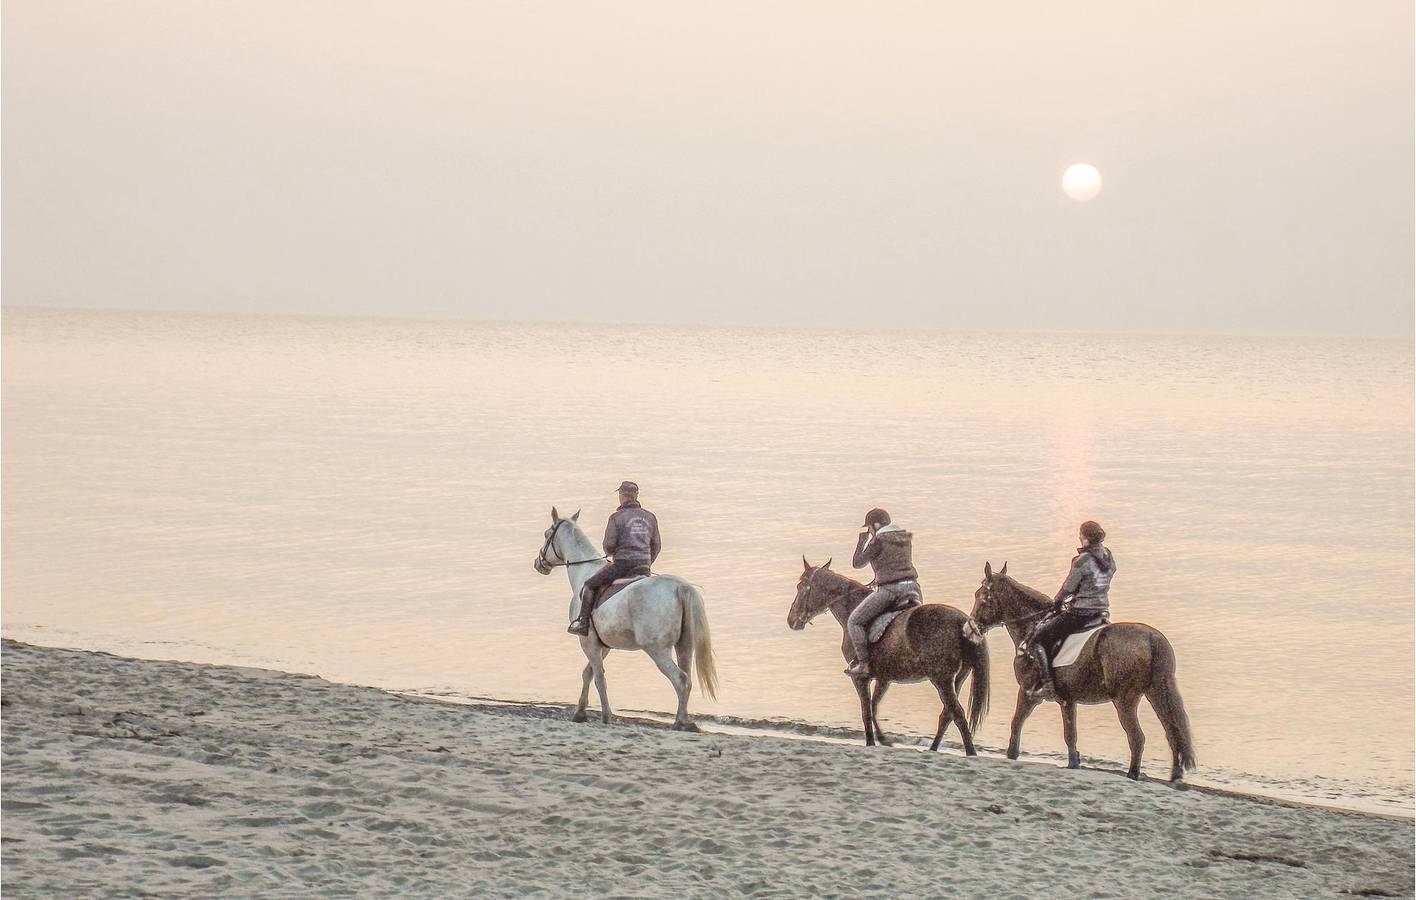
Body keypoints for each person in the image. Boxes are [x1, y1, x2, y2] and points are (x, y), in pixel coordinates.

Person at [1024, 520, 1116, 699]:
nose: (1079, 537)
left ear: (1086, 538)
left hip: (1081, 613)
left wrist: (1057, 603)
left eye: (1081, 534)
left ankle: (1048, 685)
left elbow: (1068, 588)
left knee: (1037, 640)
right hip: (1102, 611)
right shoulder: (1108, 557)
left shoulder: (1082, 561)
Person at [567, 481, 661, 636]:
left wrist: (615, 553)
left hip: (622, 566)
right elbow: (656, 546)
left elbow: (608, 546)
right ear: (636, 496)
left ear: (622, 496)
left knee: (589, 585)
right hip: (644, 567)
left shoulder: (616, 517)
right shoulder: (650, 517)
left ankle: (583, 623)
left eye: (620, 495)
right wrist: (646, 563)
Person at [844, 508, 921, 677]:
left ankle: (864, 665)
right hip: (913, 588)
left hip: (891, 591)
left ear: (876, 525)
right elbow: (894, 563)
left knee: (854, 622)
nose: (869, 531)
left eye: (869, 528)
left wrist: (861, 543)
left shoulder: (877, 541)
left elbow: (857, 563)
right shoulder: (904, 537)